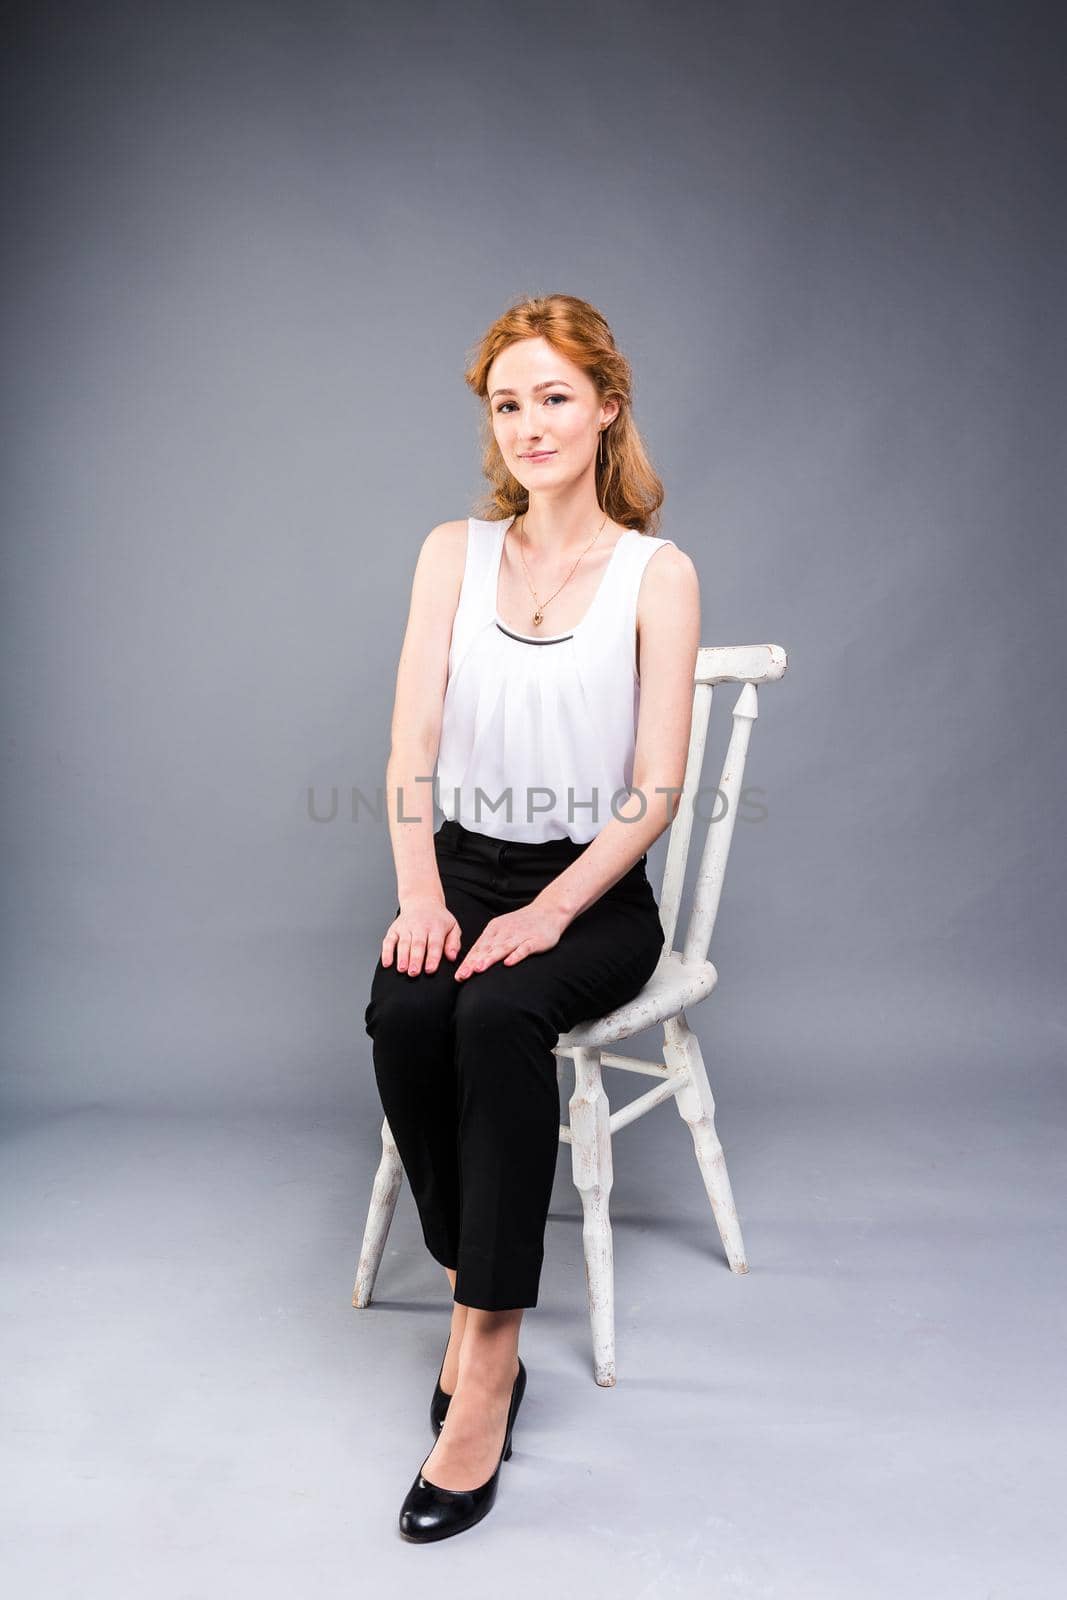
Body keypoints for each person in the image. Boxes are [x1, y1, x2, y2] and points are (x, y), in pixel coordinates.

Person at [362, 292, 700, 1541]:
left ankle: (489, 1362)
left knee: (498, 1014)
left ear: (605, 407)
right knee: (404, 1012)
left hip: (592, 888)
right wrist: (419, 891)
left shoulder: (656, 575)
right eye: (508, 403)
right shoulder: (451, 552)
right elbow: (407, 739)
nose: (529, 424)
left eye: (554, 395)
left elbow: (653, 788)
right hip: (458, 867)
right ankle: (469, 1286)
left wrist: (554, 908)